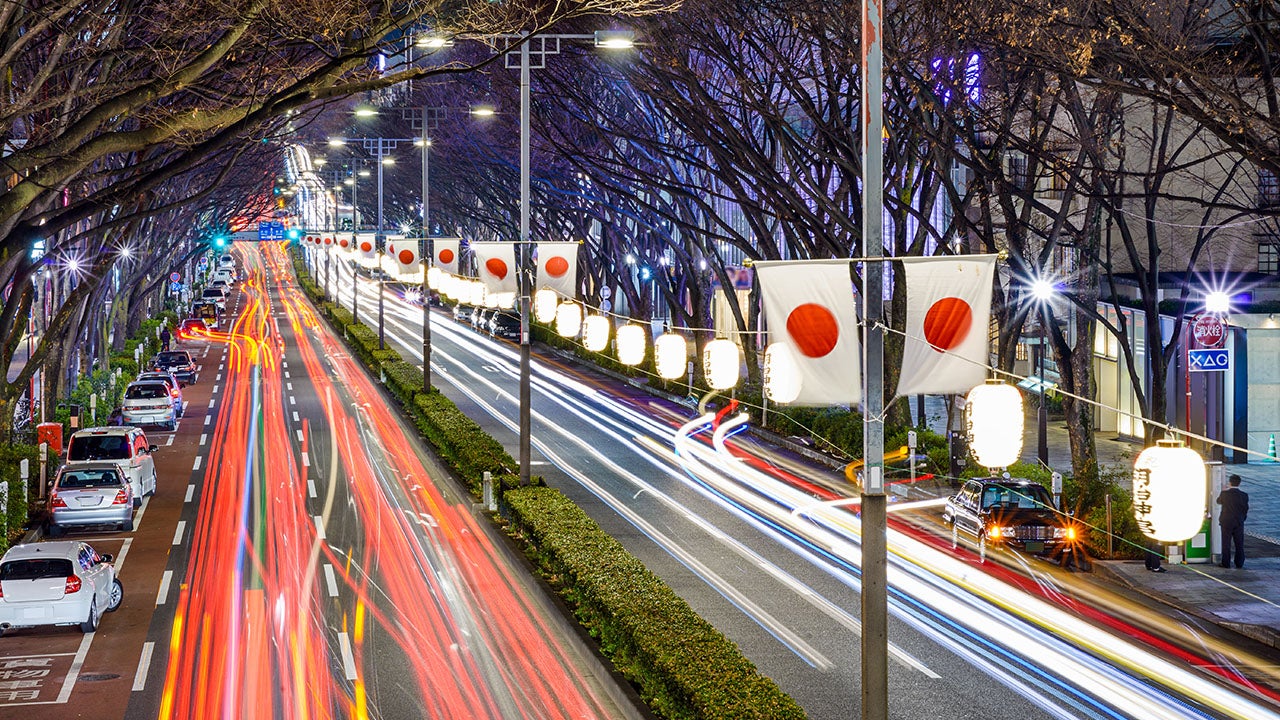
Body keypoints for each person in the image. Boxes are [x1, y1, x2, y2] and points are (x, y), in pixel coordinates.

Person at [1217, 474, 1250, 568]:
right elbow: (1245, 509)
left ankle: (1226, 563)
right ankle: (1239, 563)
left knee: (1226, 543)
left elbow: (1218, 501)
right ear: (1239, 483)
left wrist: (1222, 491)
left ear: (1230, 482)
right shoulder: (1244, 495)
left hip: (1226, 521)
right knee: (1239, 543)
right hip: (1239, 521)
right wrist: (1242, 518)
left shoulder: (1224, 494)